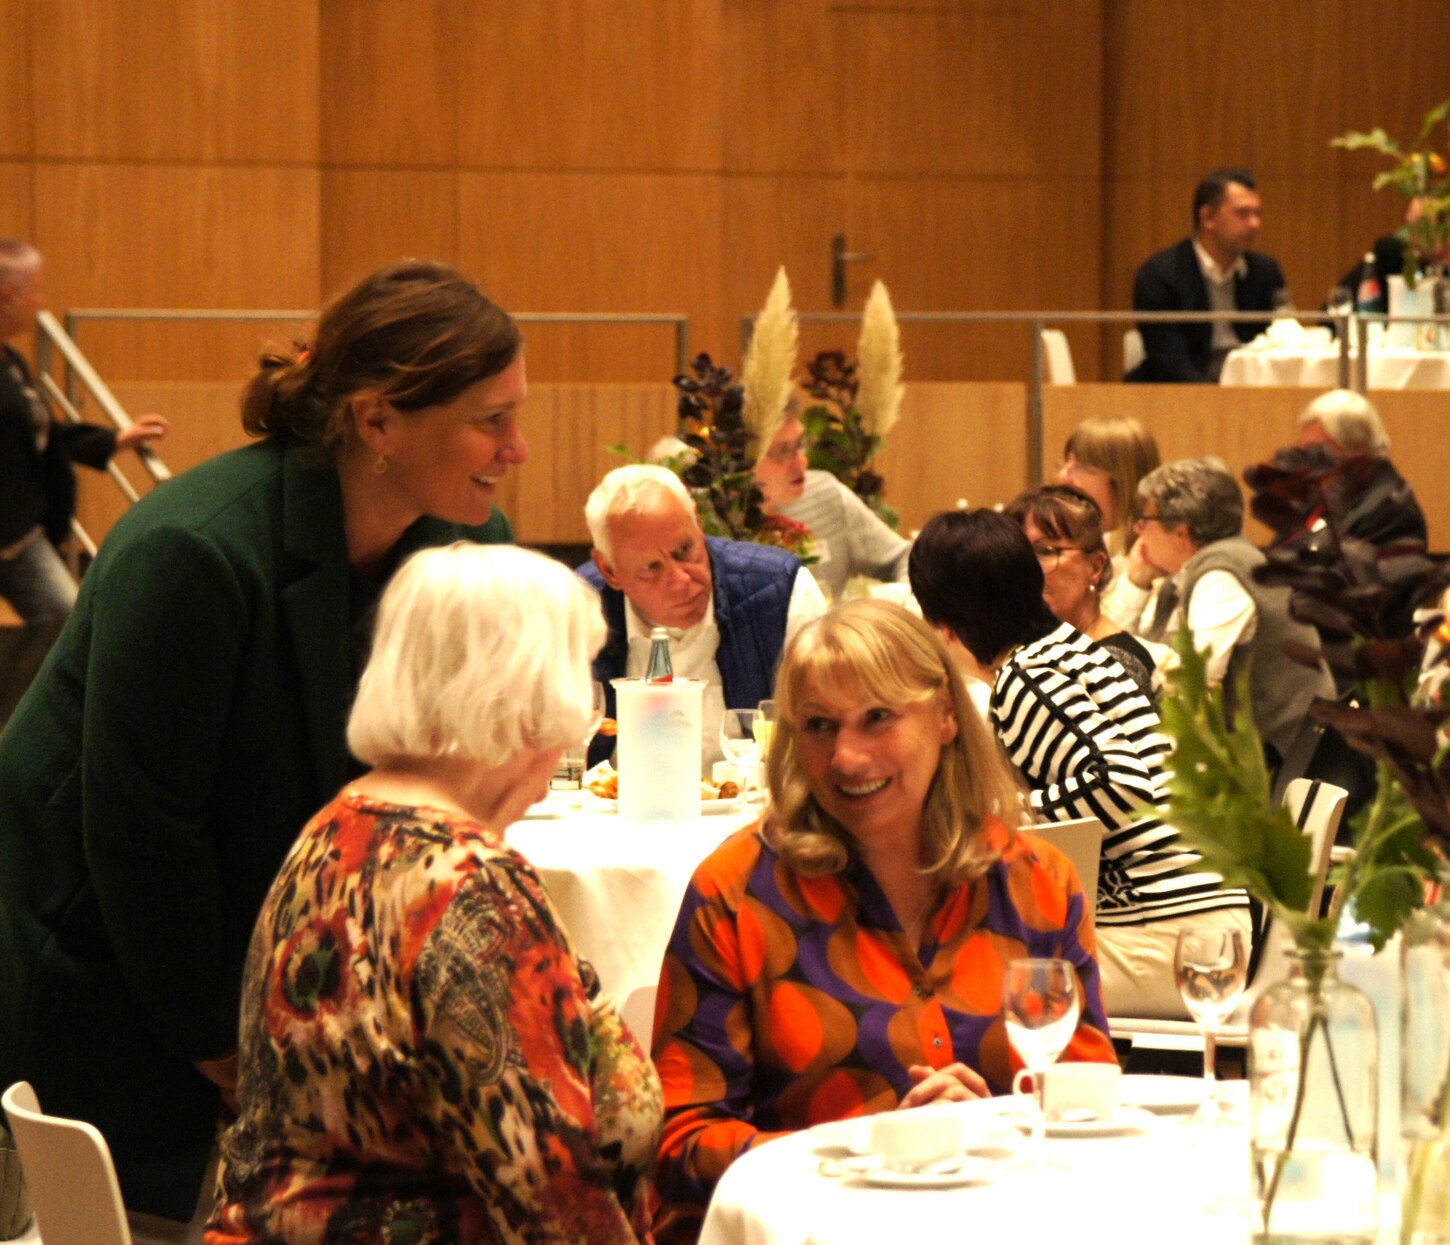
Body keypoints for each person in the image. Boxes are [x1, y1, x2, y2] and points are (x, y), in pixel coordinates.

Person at [0, 259, 525, 1234]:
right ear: (376, 423)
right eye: (488, 420)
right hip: (107, 966)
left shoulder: (462, 545)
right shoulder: (192, 552)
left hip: (267, 951)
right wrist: (232, 1056)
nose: (518, 448)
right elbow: (142, 842)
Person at [205, 544, 659, 1244]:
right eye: (577, 686)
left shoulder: (333, 831)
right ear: (529, 703)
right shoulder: (471, 886)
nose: (578, 724)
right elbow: (554, 1200)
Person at [652, 600, 1115, 1243]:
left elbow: (1087, 1107)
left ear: (948, 715)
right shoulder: (737, 895)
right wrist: (865, 1152)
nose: (846, 757)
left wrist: (996, 1128)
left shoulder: (1034, 884)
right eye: (818, 726)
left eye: (877, 719)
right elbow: (681, 1141)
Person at [908, 509, 1250, 1020]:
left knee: (955, 978)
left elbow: (1123, 784)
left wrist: (1008, 811)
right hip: (1208, 926)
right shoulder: (1068, 650)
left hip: (1174, 940)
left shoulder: (1025, 680)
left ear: (946, 624)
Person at [579, 464, 827, 767]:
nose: (681, 580)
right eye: (651, 568)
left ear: (697, 522)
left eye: (685, 550)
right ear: (609, 570)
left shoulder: (783, 591)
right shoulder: (575, 611)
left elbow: (826, 730)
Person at [1118, 457, 1335, 765]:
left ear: (1181, 533)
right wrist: (1136, 583)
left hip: (1286, 764)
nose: (1138, 530)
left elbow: (1189, 679)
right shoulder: (1182, 576)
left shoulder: (1222, 576)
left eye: (1145, 521)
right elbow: (1121, 661)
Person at [0, 239, 170, 621]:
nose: (40, 302)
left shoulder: (10, 362)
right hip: (13, 533)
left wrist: (113, 440)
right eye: (36, 291)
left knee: (70, 629)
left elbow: (41, 434)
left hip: (21, 539)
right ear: (7, 294)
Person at [1127, 167, 1290, 383]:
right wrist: (1216, 399)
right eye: (1242, 214)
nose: (1254, 224)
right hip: (1181, 394)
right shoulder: (1160, 275)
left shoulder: (1264, 271)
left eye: (1257, 213)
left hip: (1251, 387)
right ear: (1207, 217)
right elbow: (1168, 359)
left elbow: (1281, 338)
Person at [1004, 484, 1157, 696]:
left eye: (1046, 551)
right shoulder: (1024, 649)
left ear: (1095, 567)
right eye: (1019, 552)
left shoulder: (1115, 664)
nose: (1028, 567)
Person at [751, 411, 911, 600]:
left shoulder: (825, 495)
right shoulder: (716, 517)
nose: (802, 462)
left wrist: (907, 603)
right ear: (743, 460)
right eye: (783, 451)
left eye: (799, 445)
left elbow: (904, 557)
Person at [1056, 414, 1162, 632]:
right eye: (1067, 463)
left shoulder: (1159, 557)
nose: (1064, 476)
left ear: (1121, 479)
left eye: (1082, 467)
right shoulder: (1087, 546)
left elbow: (1108, 644)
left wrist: (1135, 584)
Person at [1292, 388, 1428, 547]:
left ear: (1356, 447)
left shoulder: (1391, 513)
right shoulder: (1322, 498)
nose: (1307, 463)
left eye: (1316, 450)